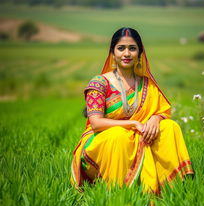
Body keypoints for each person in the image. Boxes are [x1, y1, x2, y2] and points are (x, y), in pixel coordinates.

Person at [71, 27, 194, 194]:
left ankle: (172, 190)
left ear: (140, 53)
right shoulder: (99, 83)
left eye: (132, 48)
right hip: (104, 141)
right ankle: (118, 193)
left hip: (137, 135)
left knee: (170, 127)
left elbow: (162, 111)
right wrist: (134, 123)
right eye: (121, 48)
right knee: (119, 137)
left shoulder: (147, 84)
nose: (126, 53)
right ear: (112, 53)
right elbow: (95, 123)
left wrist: (155, 119)